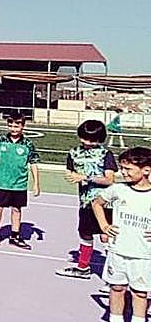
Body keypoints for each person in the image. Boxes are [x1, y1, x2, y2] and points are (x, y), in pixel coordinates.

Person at [93, 147, 151, 322]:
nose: (124, 172)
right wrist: (104, 225)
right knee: (117, 288)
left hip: (143, 255)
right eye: (123, 168)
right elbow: (97, 203)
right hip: (118, 251)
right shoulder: (118, 189)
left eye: (128, 169)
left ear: (146, 170)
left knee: (140, 293)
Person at [56, 119, 117, 279]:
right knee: (85, 233)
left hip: (105, 203)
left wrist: (86, 177)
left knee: (106, 235)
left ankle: (113, 275)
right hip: (85, 201)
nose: (87, 142)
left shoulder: (106, 154)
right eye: (84, 138)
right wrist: (71, 176)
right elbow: (70, 172)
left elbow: (109, 179)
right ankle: (83, 268)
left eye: (91, 139)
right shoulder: (74, 153)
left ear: (99, 139)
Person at [0, 114, 40, 249]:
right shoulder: (1, 141)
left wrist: (36, 184)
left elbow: (33, 164)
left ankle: (15, 236)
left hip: (19, 184)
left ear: (23, 126)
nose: (13, 128)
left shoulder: (28, 144)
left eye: (17, 126)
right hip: (2, 182)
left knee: (16, 209)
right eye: (11, 125)